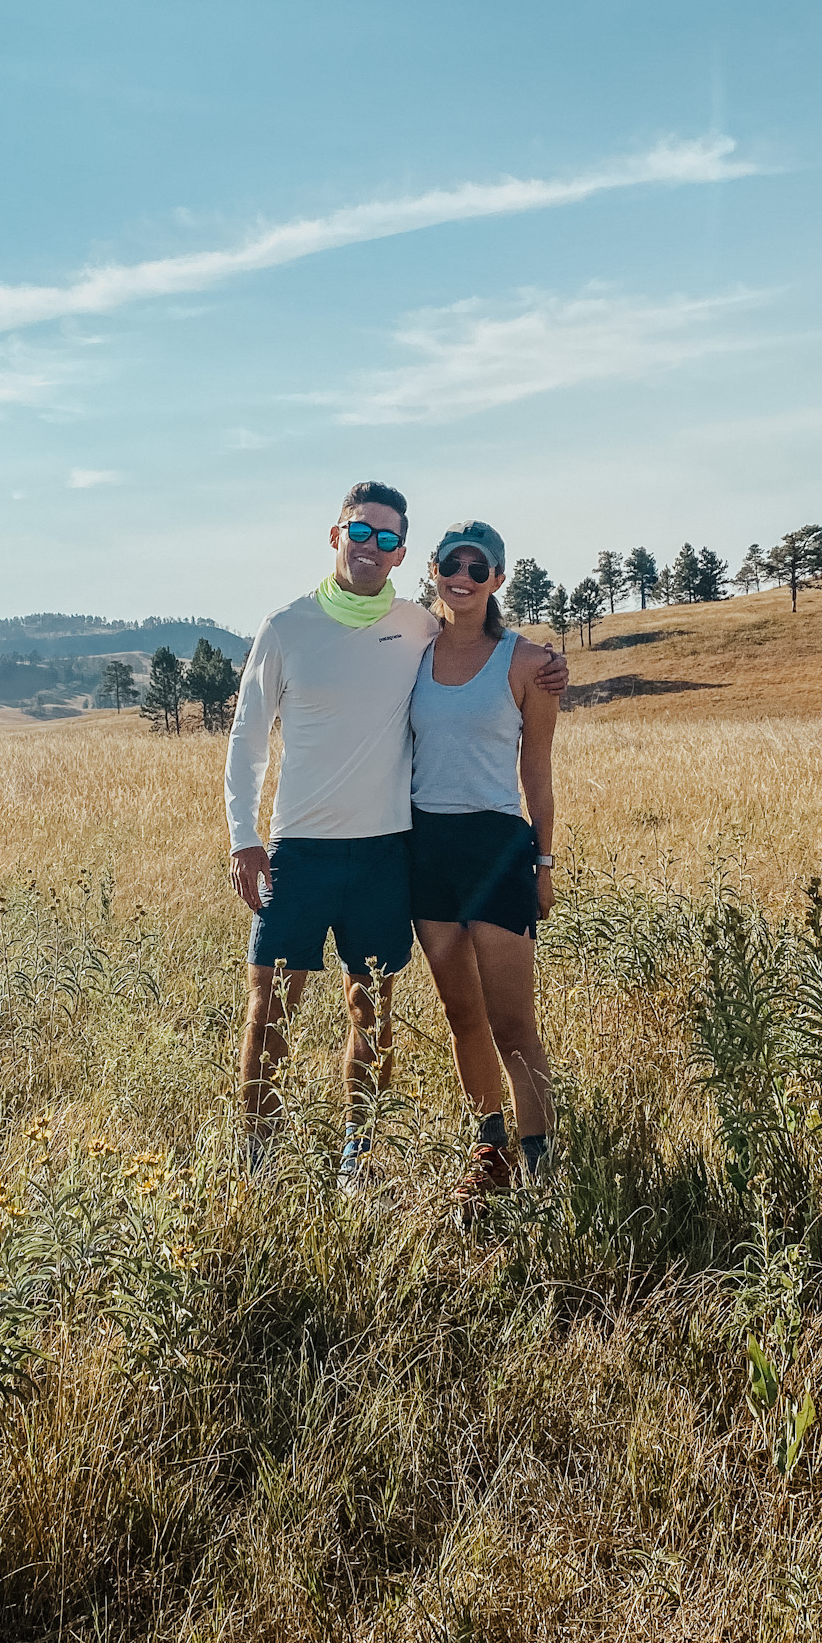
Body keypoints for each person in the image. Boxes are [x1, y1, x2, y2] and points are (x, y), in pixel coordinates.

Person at [225, 483, 566, 1185]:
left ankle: (362, 1160)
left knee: (374, 1014)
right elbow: (246, 736)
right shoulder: (289, 626)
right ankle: (256, 1164)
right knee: (271, 1011)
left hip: (390, 853)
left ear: (402, 553)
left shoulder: (421, 628)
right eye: (361, 532)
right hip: (306, 851)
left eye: (387, 539)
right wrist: (243, 833)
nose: (371, 547)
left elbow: (500, 673)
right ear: (335, 535)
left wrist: (549, 662)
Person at [409, 520, 558, 1215]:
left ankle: (544, 1172)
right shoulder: (409, 650)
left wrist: (545, 863)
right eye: (450, 564)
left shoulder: (528, 663)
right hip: (427, 846)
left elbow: (538, 772)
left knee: (512, 1023)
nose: (461, 576)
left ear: (497, 579)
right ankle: (490, 1151)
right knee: (460, 1013)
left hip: (498, 849)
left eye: (478, 566)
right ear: (434, 570)